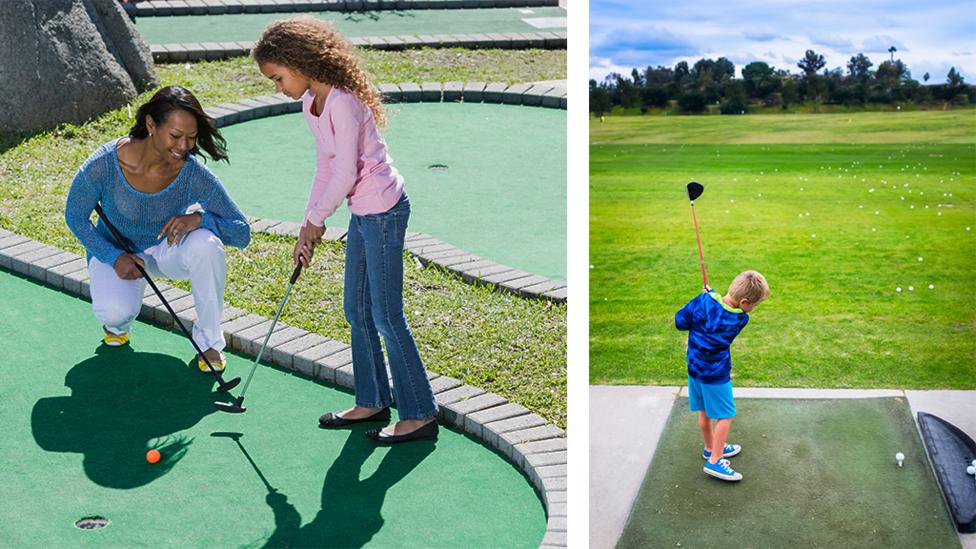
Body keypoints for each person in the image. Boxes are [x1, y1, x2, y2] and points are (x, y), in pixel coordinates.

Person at [252, 17, 438, 445]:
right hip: (362, 212)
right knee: (356, 309)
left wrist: (318, 219)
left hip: (384, 211)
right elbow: (325, 167)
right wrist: (307, 223)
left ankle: (420, 414)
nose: (277, 87)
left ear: (299, 62)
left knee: (386, 315)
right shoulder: (312, 104)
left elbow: (346, 173)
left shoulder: (344, 103)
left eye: (278, 77)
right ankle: (372, 399)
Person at [65, 86, 250, 373]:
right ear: (151, 124)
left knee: (207, 244)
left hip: (166, 250)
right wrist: (113, 256)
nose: (184, 146)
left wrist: (199, 220)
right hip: (119, 255)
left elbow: (241, 231)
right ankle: (117, 325)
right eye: (175, 135)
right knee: (113, 313)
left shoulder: (192, 173)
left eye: (191, 137)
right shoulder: (104, 164)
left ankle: (209, 342)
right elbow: (75, 217)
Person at [675, 270, 769, 481]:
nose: (753, 309)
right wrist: (712, 295)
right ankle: (715, 461)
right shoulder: (740, 319)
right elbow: (723, 309)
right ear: (744, 302)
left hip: (695, 368)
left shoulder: (703, 301)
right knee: (725, 416)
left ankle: (710, 448)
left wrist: (706, 297)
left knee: (704, 412)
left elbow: (680, 322)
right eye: (754, 305)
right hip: (716, 374)